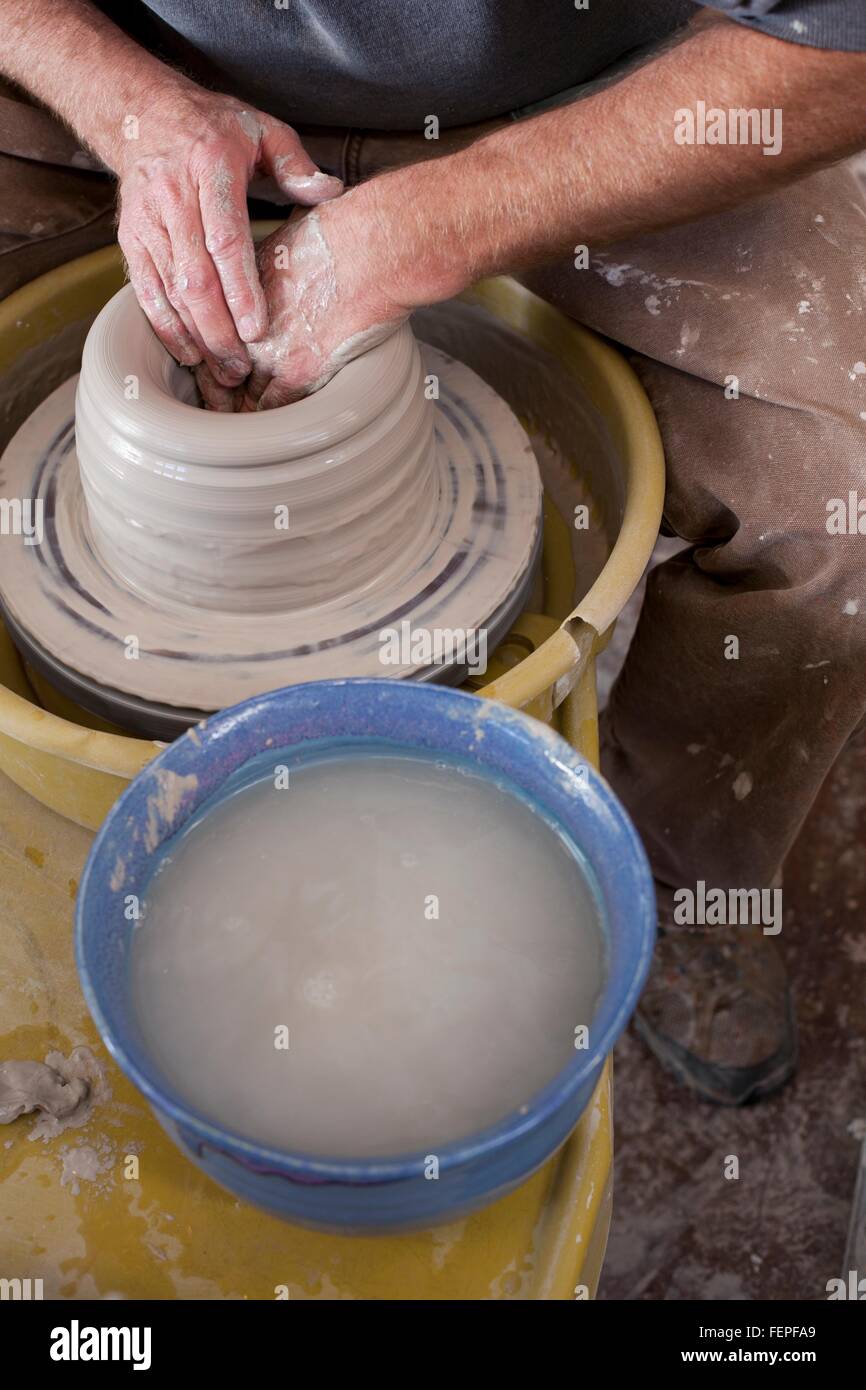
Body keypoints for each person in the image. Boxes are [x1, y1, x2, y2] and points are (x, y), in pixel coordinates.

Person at [1, 1, 865, 1103]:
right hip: (132, 80)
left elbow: (840, 47)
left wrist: (435, 223)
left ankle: (682, 875)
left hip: (589, 102)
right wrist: (125, 102)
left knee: (835, 503)